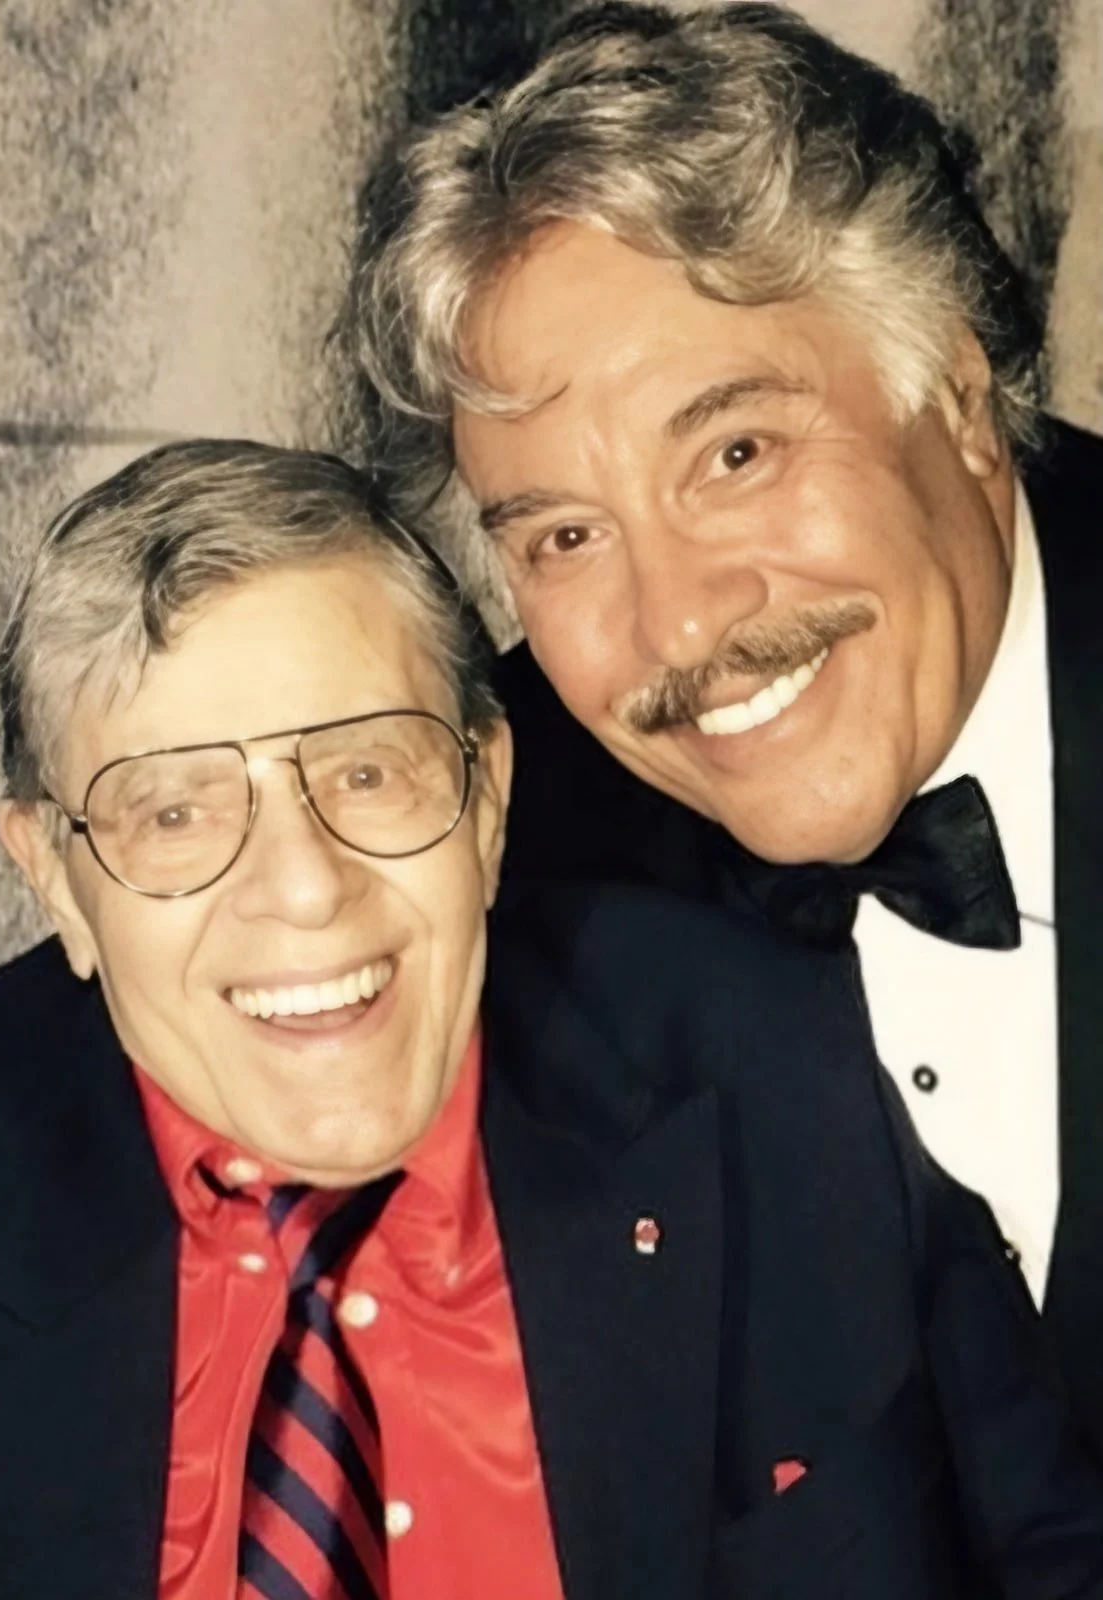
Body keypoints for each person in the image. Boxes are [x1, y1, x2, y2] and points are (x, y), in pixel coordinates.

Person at [0, 440, 1103, 1600]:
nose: (305, 888)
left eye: (369, 772)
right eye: (174, 813)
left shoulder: (770, 1058)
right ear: (56, 879)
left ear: (489, 799)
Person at [350, 0, 1103, 1458]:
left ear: (955, 395)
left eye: (735, 453)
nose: (680, 627)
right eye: (566, 537)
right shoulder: (494, 850)